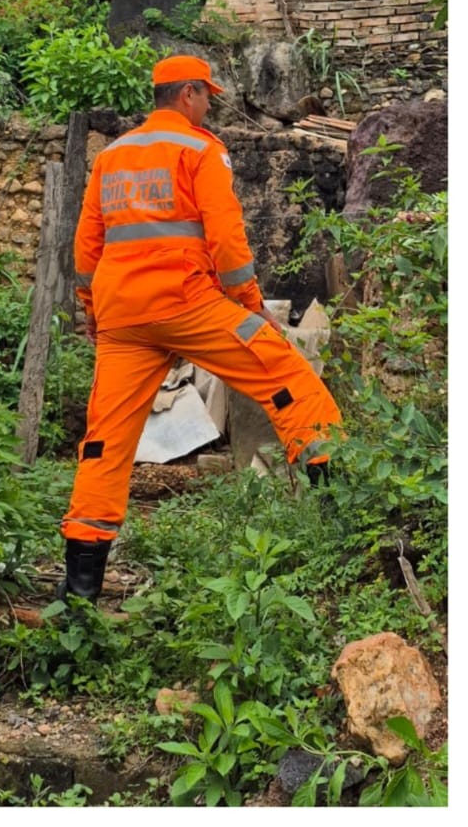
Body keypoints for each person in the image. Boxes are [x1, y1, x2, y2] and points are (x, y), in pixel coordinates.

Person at [59, 54, 341, 603]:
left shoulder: (112, 156)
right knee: (287, 374)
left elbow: (87, 245)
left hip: (121, 317)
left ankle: (79, 593)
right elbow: (228, 238)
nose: (210, 104)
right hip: (188, 305)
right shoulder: (200, 150)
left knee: (105, 444)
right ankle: (337, 506)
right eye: (207, 95)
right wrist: (250, 303)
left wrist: (93, 310)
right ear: (188, 95)